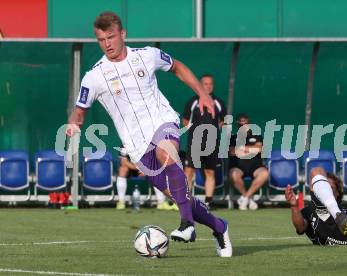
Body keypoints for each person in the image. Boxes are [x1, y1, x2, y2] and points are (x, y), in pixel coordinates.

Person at [66, 11, 231, 257]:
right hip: (136, 145)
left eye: (111, 37)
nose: (107, 44)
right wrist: (74, 123)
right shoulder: (94, 76)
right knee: (179, 196)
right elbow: (79, 110)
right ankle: (219, 227)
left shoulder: (147, 55)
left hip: (163, 121)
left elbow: (177, 67)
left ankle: (187, 225)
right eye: (101, 40)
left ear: (123, 34)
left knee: (167, 153)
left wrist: (202, 94)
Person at [285, 167, 347, 245]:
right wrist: (294, 206)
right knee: (317, 171)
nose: (327, 191)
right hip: (332, 235)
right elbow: (300, 228)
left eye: (330, 188)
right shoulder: (310, 210)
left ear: (338, 193)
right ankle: (339, 215)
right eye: (324, 188)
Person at [182, 74, 226, 208]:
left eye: (211, 84)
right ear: (200, 85)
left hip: (211, 144)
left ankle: (208, 201)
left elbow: (223, 121)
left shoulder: (218, 102)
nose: (208, 86)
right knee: (189, 171)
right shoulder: (193, 101)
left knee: (209, 172)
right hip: (195, 142)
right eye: (205, 84)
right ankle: (185, 201)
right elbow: (185, 121)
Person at [116, 147, 178, 211]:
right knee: (122, 169)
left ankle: (161, 203)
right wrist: (138, 168)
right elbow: (124, 162)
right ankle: (121, 202)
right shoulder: (125, 144)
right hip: (132, 169)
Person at [229, 113, 268, 210]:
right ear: (237, 125)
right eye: (241, 124)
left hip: (255, 166)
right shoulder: (233, 138)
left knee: (264, 174)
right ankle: (249, 199)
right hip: (239, 166)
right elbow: (232, 152)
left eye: (245, 124)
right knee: (233, 175)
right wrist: (251, 150)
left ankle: (245, 198)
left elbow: (259, 149)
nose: (243, 126)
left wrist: (242, 148)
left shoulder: (257, 135)